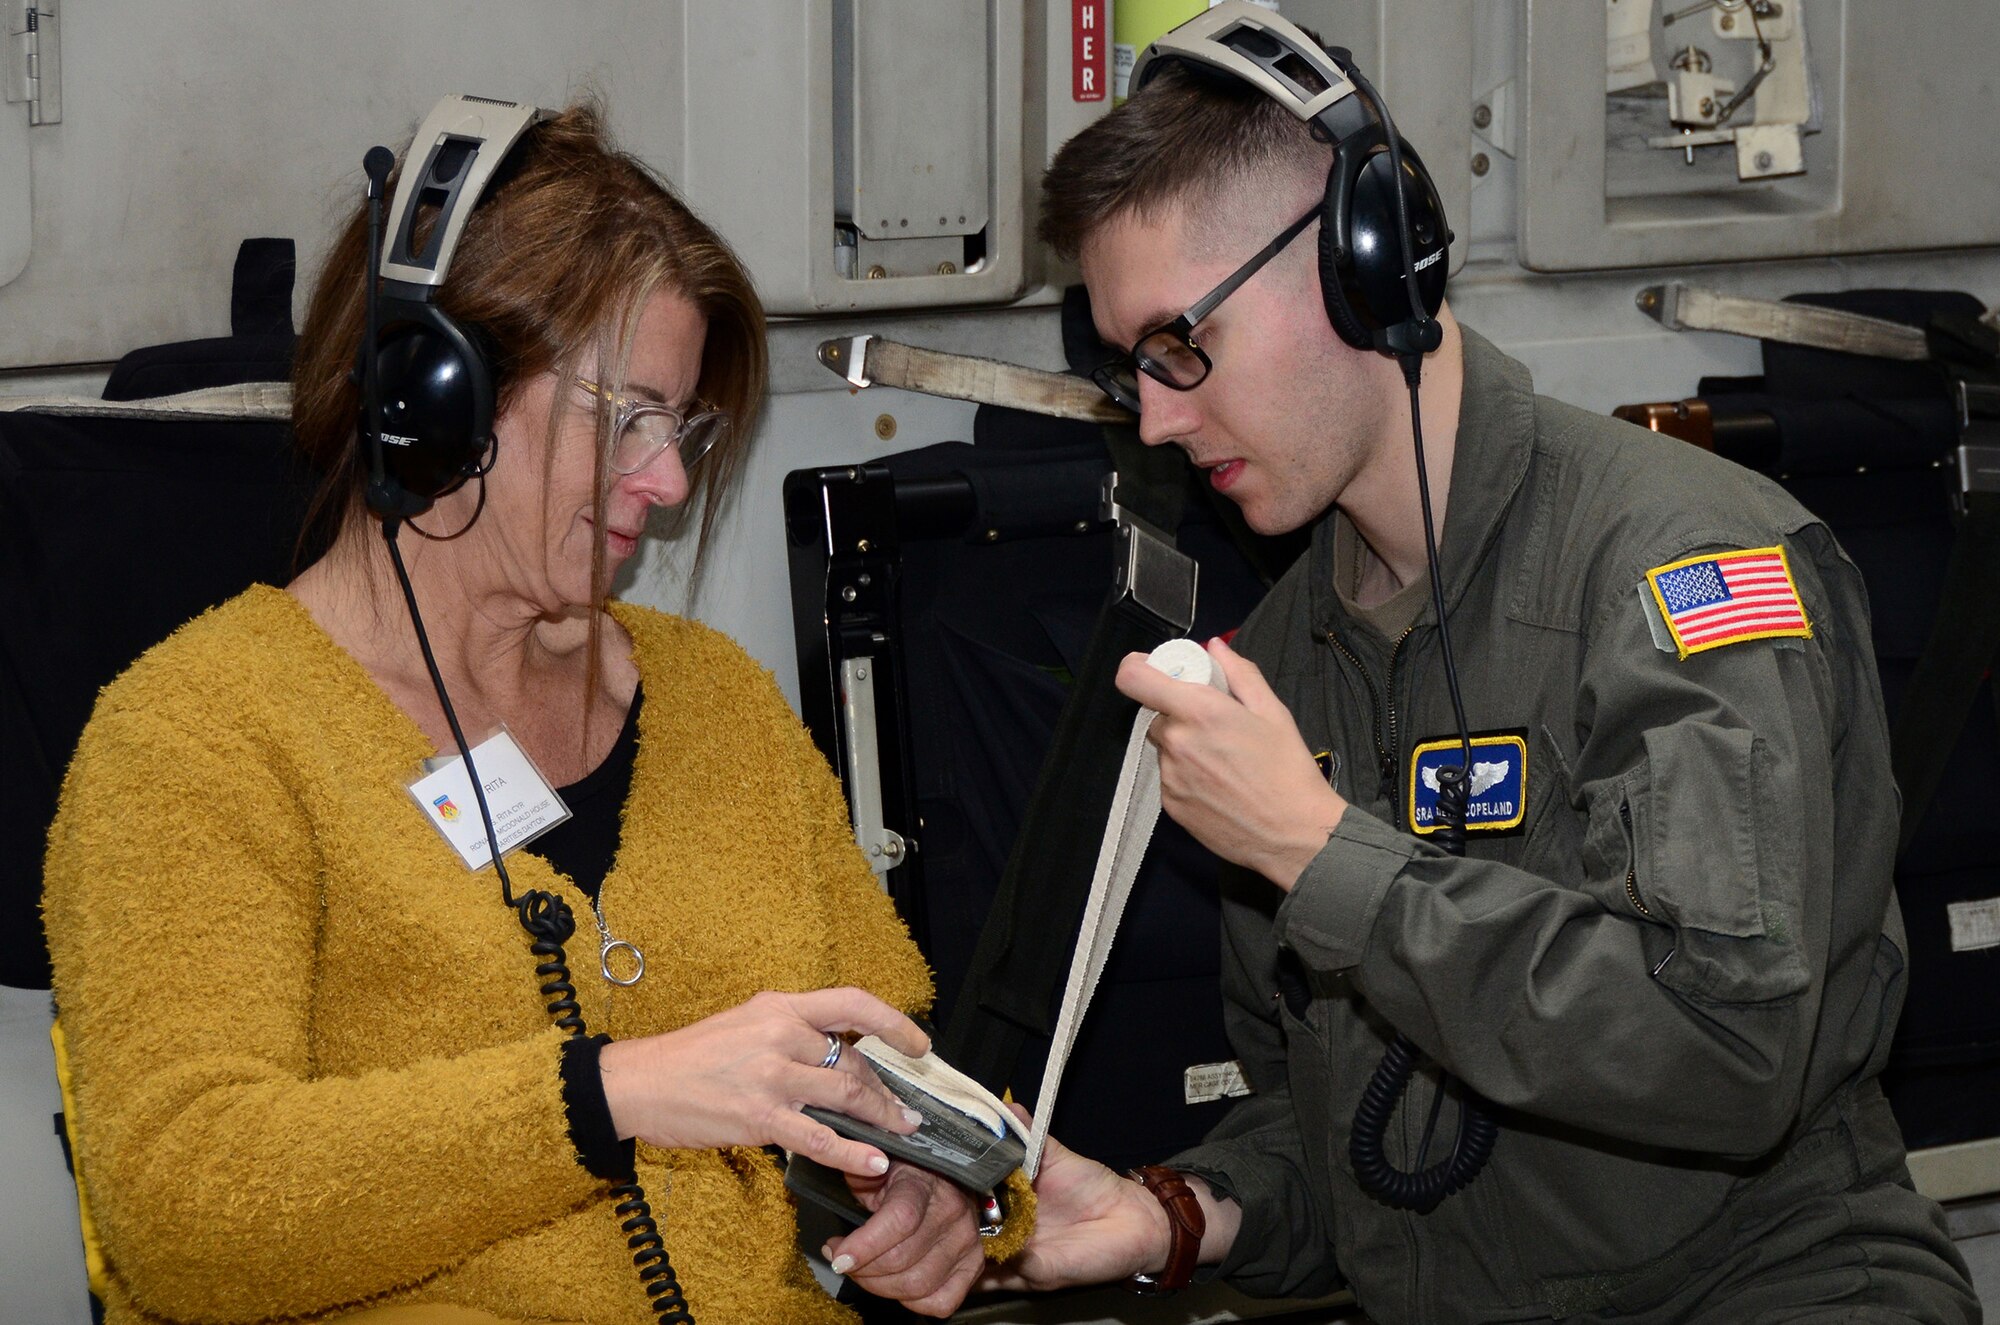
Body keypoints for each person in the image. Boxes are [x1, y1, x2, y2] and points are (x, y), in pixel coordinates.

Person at [838, 15, 1983, 1324]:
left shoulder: (1677, 570)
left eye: (1177, 344)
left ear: (1357, 266)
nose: (1153, 415)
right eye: (1124, 370)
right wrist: (1168, 1214)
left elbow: (1728, 1050)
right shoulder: (1279, 670)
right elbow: (1364, 1147)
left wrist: (1323, 853)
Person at [41, 102, 1009, 1325]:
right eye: (629, 418)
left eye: (684, 430)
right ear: (439, 397)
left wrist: (932, 1187)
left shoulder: (714, 699)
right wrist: (603, 1095)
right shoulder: (195, 736)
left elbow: (887, 1036)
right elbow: (182, 1207)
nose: (663, 485)